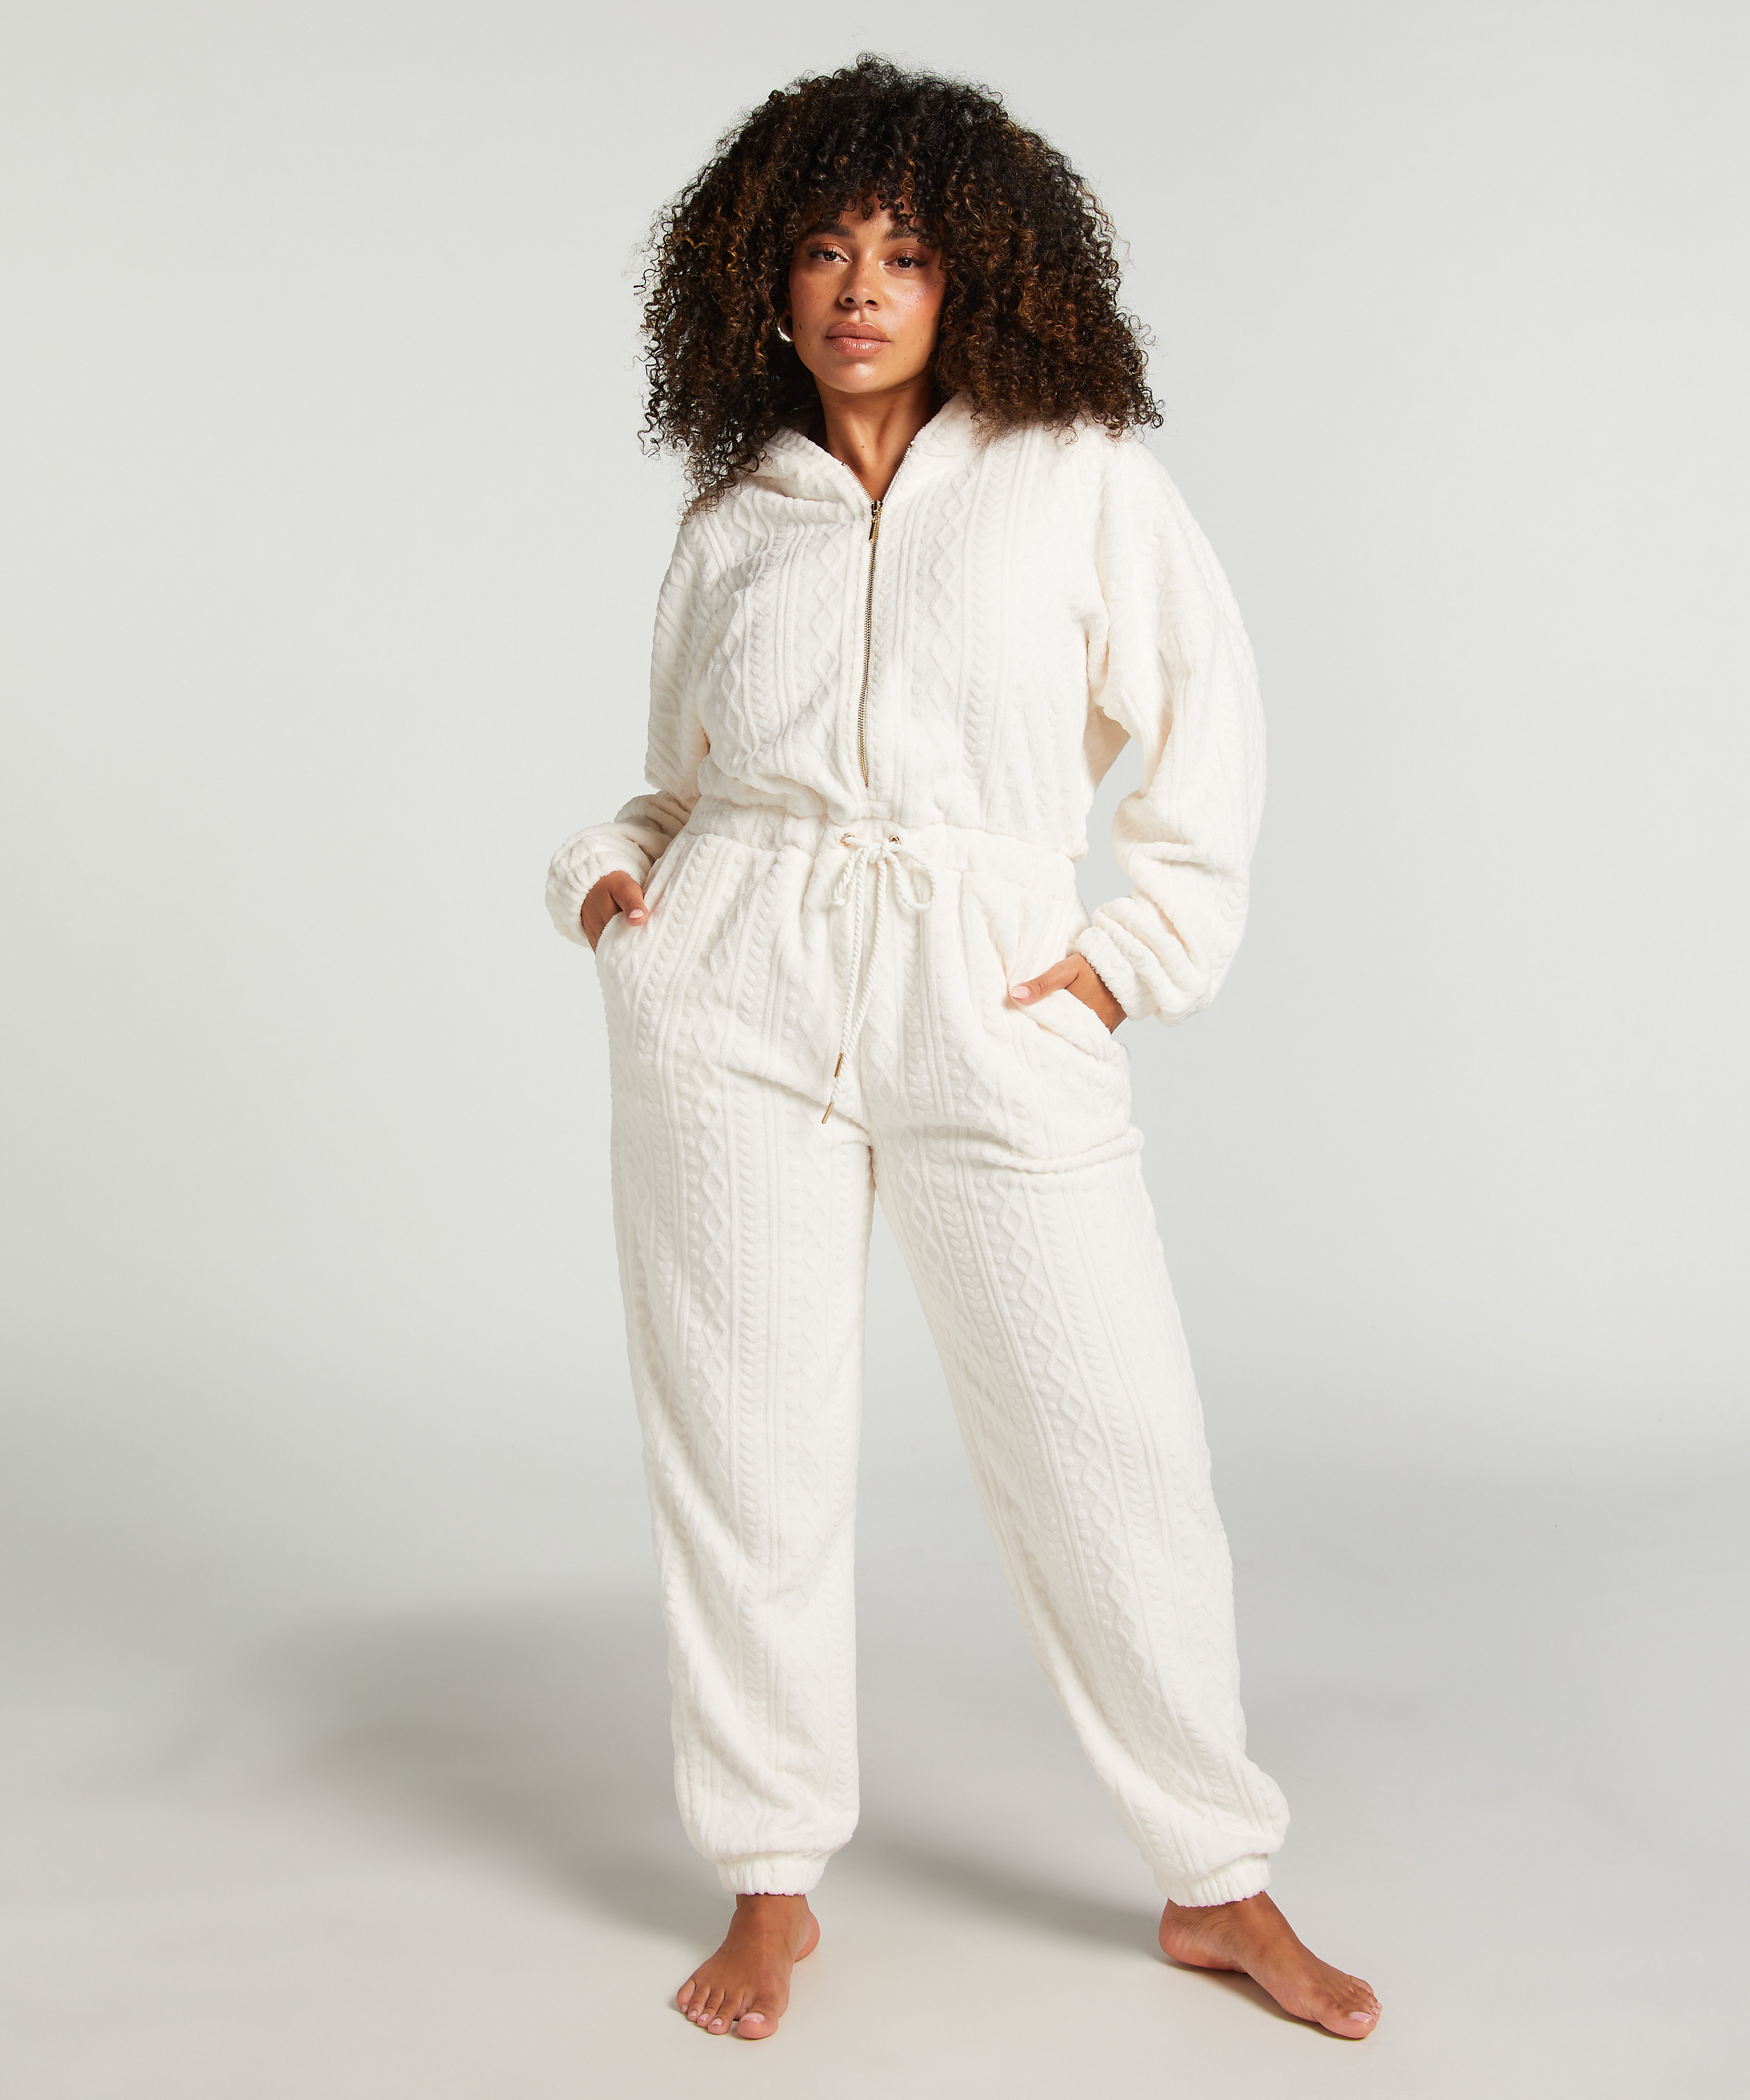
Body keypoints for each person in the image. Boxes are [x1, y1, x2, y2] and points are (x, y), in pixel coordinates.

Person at [545, 55, 1380, 2045]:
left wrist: (1126, 961)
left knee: (1113, 1445)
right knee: (743, 1447)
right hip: (733, 992)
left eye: (904, 253)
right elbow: (677, 785)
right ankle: (768, 1880)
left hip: (984, 986)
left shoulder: (1077, 474)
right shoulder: (733, 515)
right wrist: (607, 885)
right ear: (761, 278)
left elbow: (1206, 722)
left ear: (973, 274)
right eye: (824, 248)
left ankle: (1217, 1878)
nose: (860, 287)